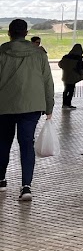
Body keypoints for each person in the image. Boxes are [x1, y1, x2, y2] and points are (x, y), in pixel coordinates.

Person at [0, 19, 54, 202]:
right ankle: (26, 187)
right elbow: (48, 81)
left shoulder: (1, 52)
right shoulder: (39, 54)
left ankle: (1, 180)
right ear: (26, 32)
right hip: (31, 107)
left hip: (4, 106)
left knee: (3, 143)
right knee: (26, 144)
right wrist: (49, 106)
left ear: (9, 33)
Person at [58, 43, 83, 109]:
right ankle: (68, 104)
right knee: (71, 91)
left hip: (65, 76)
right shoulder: (78, 58)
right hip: (73, 77)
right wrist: (82, 76)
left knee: (66, 90)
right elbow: (80, 68)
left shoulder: (66, 57)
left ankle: (64, 104)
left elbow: (60, 64)